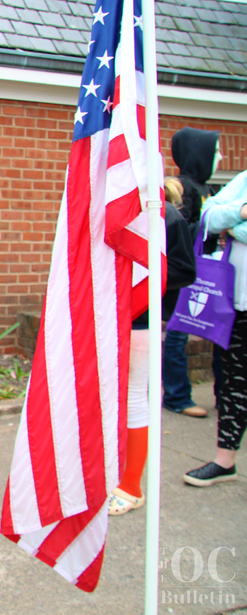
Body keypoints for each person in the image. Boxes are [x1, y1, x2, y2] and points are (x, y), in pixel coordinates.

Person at [108, 178, 196, 515]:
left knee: (134, 400)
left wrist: (144, 276)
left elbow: (185, 270)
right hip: (110, 317)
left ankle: (131, 485)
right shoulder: (116, 209)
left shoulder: (167, 216)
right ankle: (113, 475)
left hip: (140, 320)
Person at [183, 167, 247, 487]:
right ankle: (225, 461)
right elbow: (207, 216)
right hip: (238, 300)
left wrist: (236, 230)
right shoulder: (245, 179)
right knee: (234, 383)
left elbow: (224, 226)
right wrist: (241, 211)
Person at [163, 128, 223, 417]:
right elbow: (178, 233)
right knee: (177, 333)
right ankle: (176, 396)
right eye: (215, 152)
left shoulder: (208, 189)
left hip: (208, 273)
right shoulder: (182, 188)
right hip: (187, 274)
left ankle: (223, 393)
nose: (221, 157)